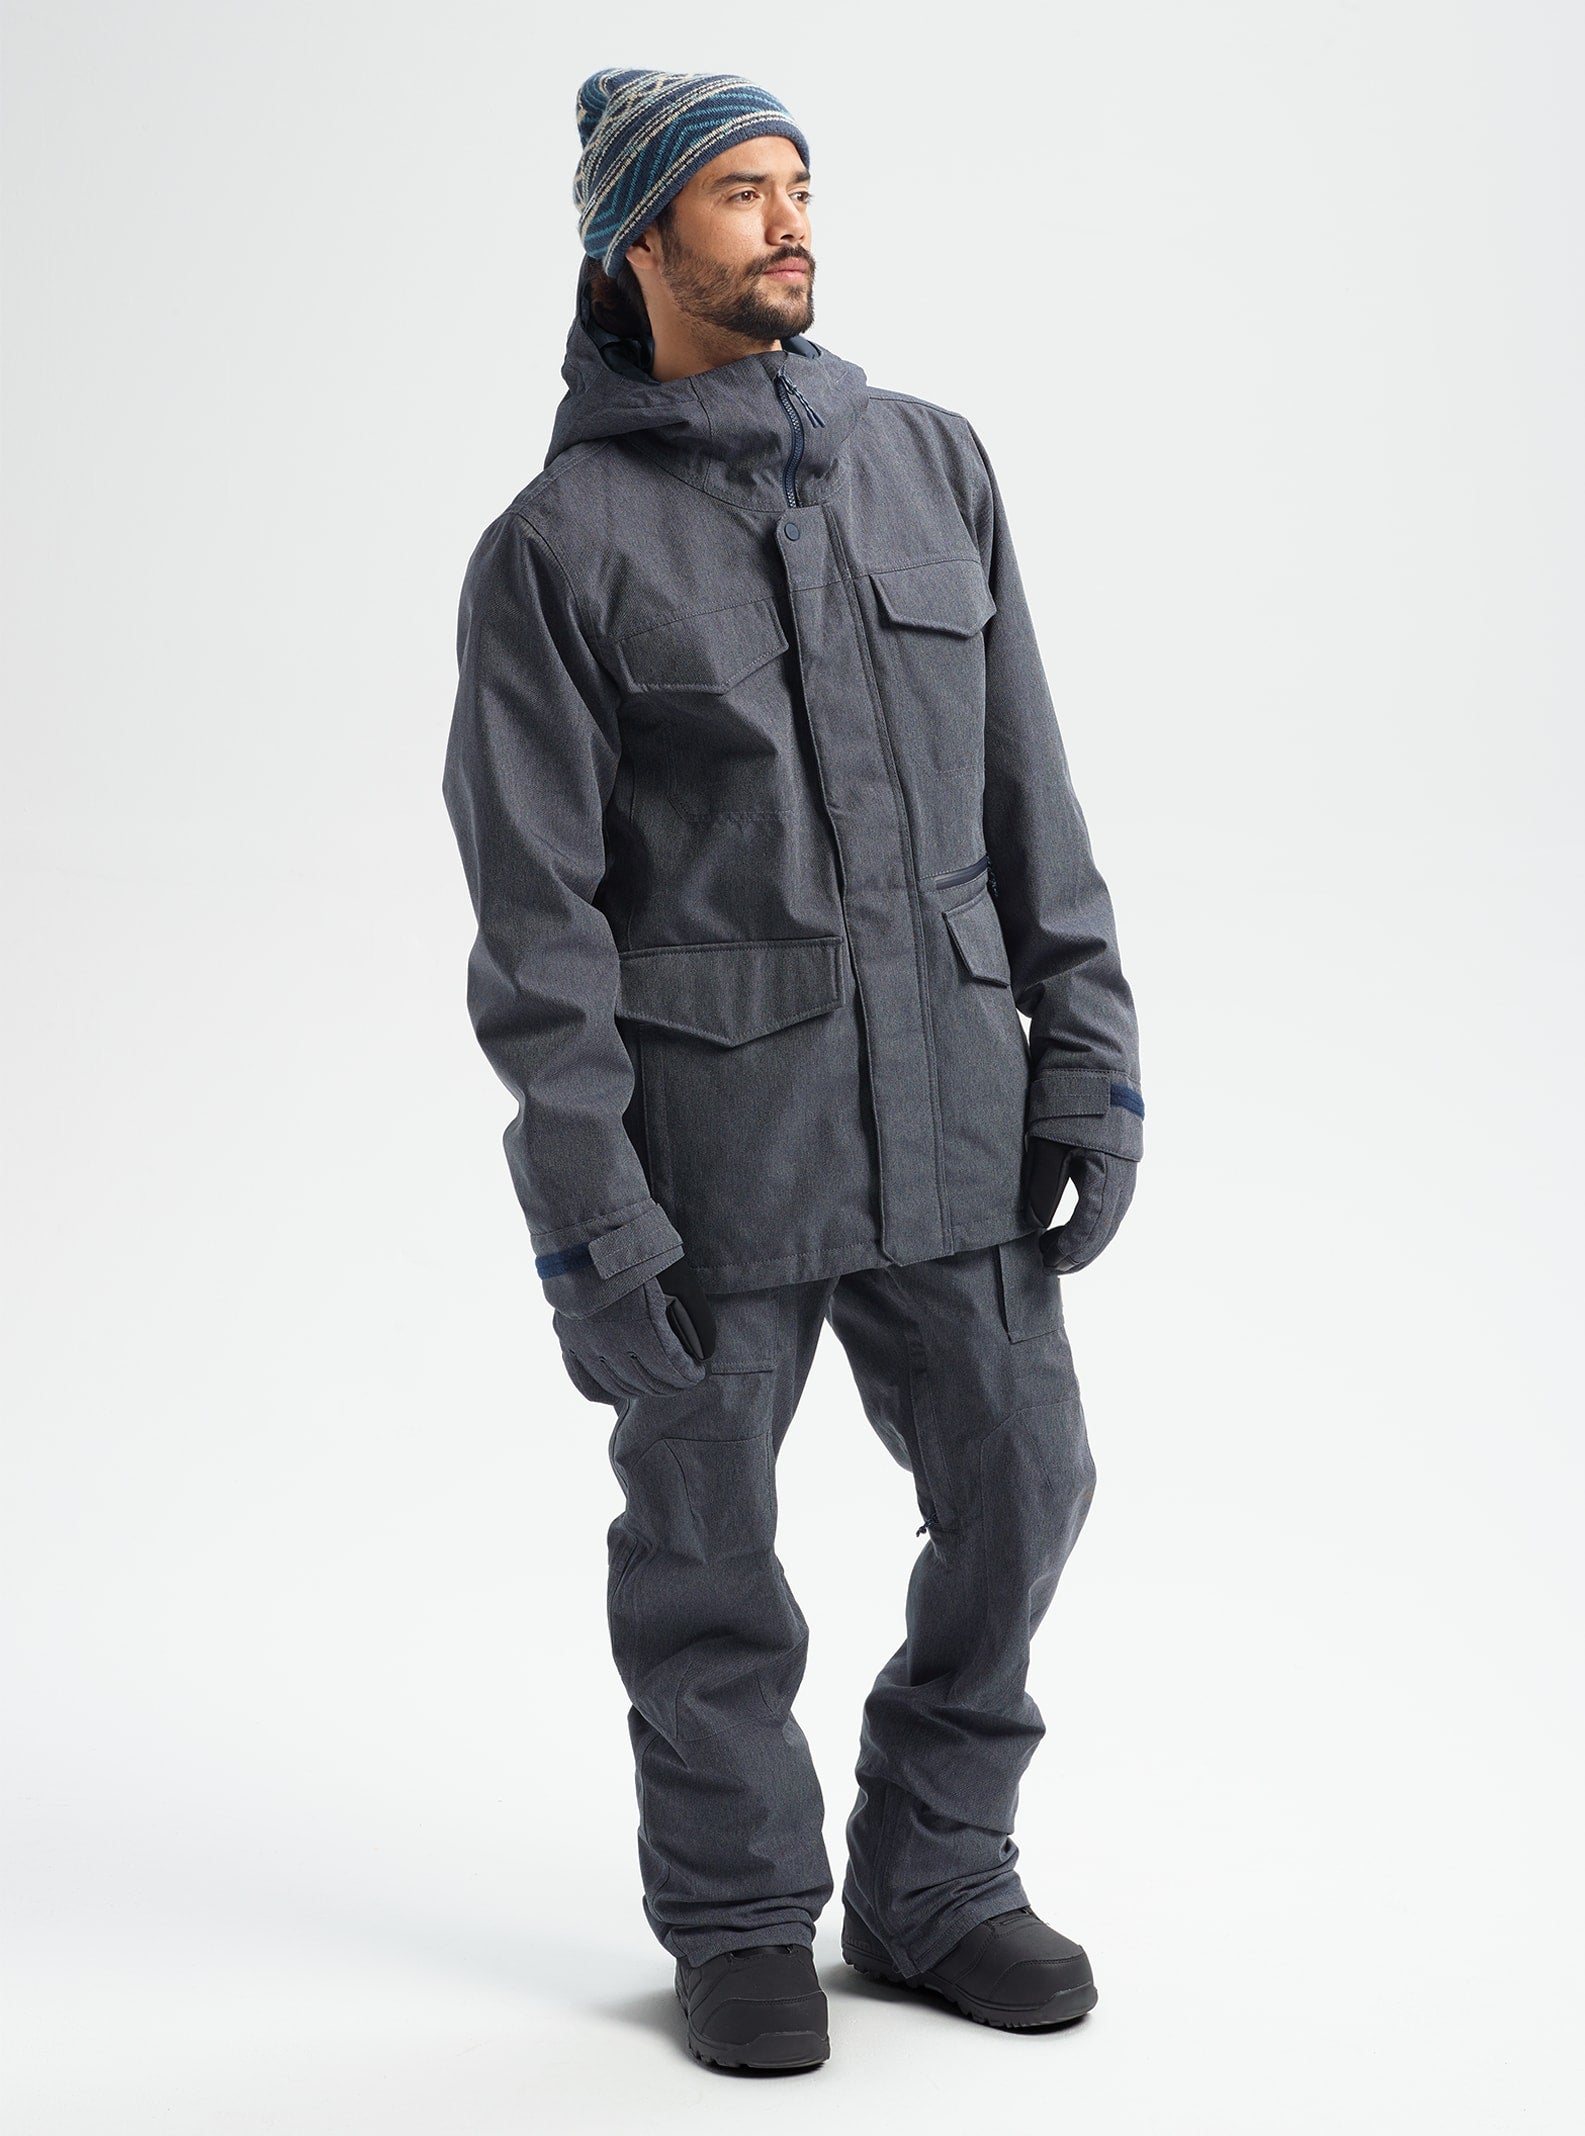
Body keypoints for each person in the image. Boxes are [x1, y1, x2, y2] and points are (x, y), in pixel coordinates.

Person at [441, 66, 1144, 2074]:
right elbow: (537, 935)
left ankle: (936, 1877)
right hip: (713, 1155)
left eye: (799, 185)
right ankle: (740, 1911)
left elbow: (1029, 790)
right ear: (635, 240)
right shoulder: (554, 549)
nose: (788, 221)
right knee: (705, 1562)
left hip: (954, 1115)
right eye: (739, 193)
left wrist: (1086, 1051)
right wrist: (591, 1220)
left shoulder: (931, 463)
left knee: (1026, 1482)